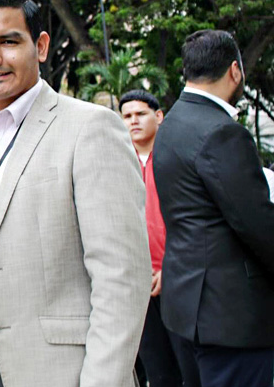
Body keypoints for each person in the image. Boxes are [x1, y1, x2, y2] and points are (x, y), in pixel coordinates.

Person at [0, 0, 149, 387]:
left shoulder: (89, 129)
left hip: (54, 373)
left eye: (8, 41)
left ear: (40, 46)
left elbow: (122, 279)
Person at [153, 30, 274, 387]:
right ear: (235, 71)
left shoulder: (172, 123)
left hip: (186, 309)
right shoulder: (222, 132)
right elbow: (256, 224)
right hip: (231, 317)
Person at [119, 89, 183, 387]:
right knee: (157, 372)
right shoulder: (116, 163)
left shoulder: (176, 159)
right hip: (136, 285)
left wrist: (168, 267)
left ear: (158, 116)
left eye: (140, 114)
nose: (133, 121)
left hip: (178, 278)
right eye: (127, 116)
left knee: (190, 367)